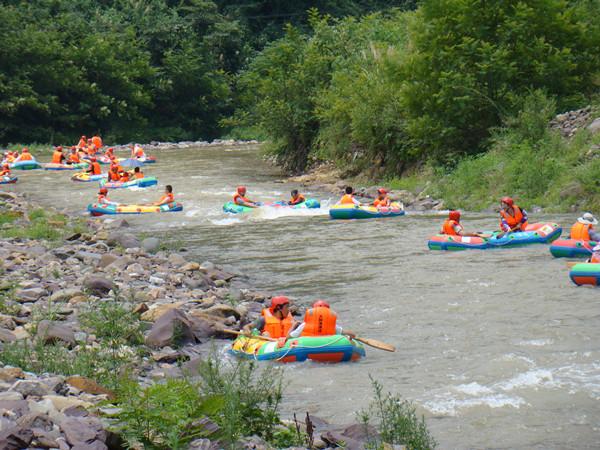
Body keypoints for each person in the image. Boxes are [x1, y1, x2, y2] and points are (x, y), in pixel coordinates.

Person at [288, 300, 355, 339]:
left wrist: (294, 325)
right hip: (328, 347)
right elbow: (352, 334)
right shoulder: (332, 326)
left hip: (308, 347)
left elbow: (289, 337)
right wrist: (350, 339)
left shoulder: (304, 325)